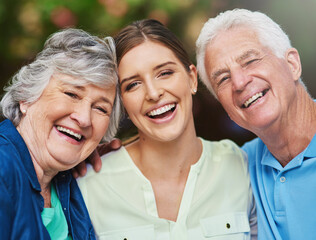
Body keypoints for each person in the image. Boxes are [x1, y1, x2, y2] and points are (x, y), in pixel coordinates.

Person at [77, 19, 257, 240]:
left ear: (192, 78)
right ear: (122, 103)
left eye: (164, 73)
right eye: (133, 84)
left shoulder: (242, 167)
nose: (153, 93)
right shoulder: (90, 185)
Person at [196, 8, 316, 240]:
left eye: (250, 61)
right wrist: (108, 152)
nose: (239, 83)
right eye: (223, 79)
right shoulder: (238, 166)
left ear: (292, 64)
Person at [0, 28, 121, 239]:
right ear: (27, 96)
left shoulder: (70, 184)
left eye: (100, 108)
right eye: (71, 94)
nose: (84, 118)